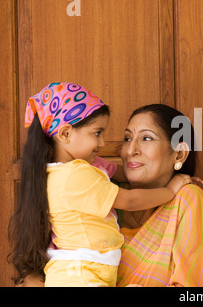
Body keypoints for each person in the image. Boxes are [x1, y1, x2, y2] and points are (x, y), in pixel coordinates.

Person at [8, 83, 192, 287]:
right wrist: (170, 190)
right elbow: (129, 200)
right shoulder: (75, 176)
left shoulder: (88, 168)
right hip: (78, 274)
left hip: (92, 272)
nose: (103, 143)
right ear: (66, 134)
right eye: (97, 133)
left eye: (147, 138)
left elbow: (125, 169)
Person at [115, 104, 203, 287]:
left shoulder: (186, 199)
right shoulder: (108, 195)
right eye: (127, 138)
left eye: (146, 138)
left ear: (179, 154)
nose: (130, 150)